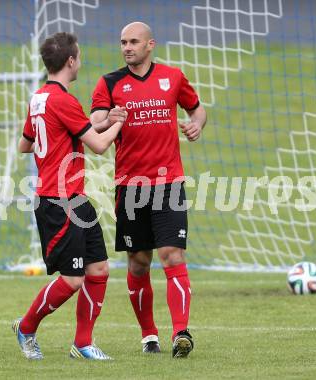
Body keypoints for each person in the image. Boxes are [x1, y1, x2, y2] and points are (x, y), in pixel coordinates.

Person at [90, 22, 207, 358]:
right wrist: (109, 118)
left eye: (133, 42)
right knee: (139, 263)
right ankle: (148, 335)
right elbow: (93, 123)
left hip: (169, 183)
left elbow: (196, 109)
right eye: (123, 42)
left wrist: (196, 124)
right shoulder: (110, 82)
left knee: (173, 255)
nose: (127, 47)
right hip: (130, 187)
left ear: (150, 44)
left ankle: (181, 333)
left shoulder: (173, 77)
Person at [13, 32, 127, 361]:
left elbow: (25, 144)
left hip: (75, 198)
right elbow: (101, 145)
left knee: (99, 269)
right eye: (79, 55)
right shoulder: (63, 100)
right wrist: (118, 121)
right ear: (71, 61)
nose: (80, 61)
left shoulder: (39, 98)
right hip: (57, 201)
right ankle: (27, 326)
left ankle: (83, 343)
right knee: (74, 278)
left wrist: (53, 148)